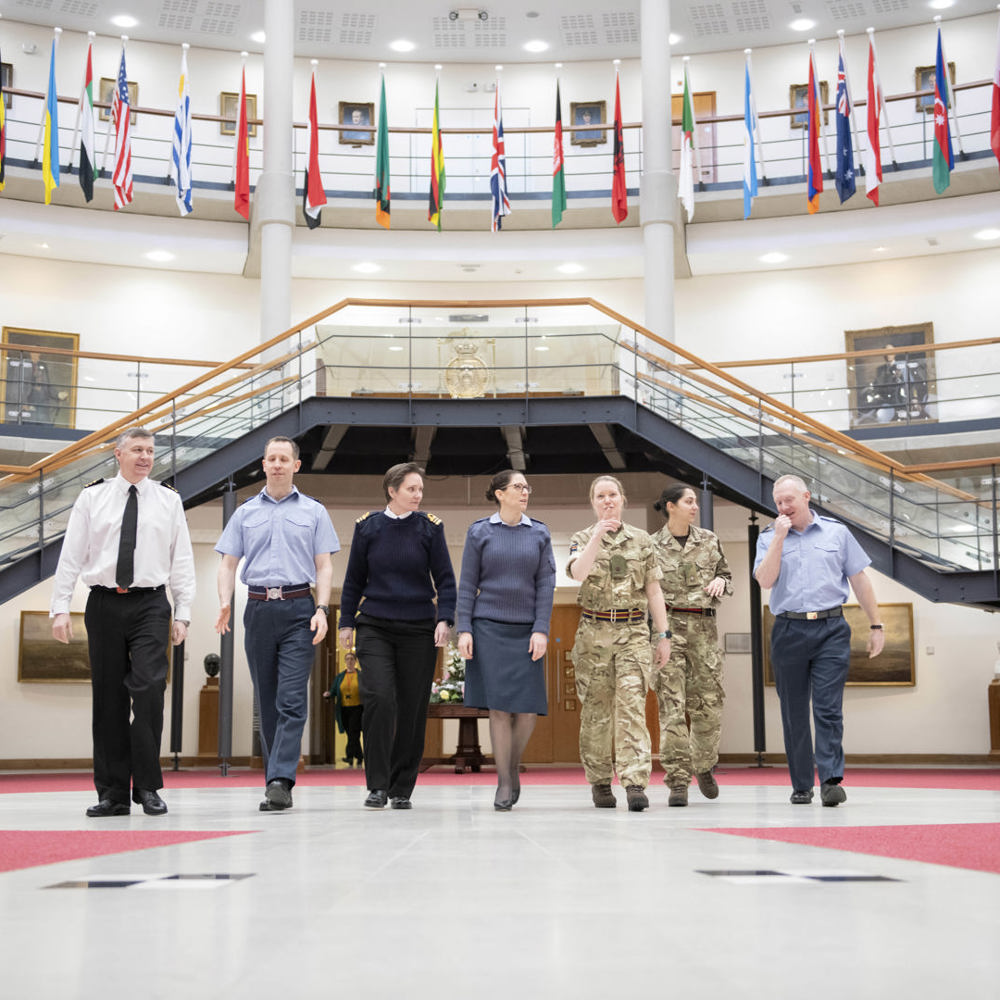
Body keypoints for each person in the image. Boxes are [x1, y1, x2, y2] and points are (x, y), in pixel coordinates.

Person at [50, 427, 195, 817]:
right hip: (103, 603)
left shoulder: (168, 500)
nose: (145, 456)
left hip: (151, 604)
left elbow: (181, 559)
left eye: (150, 450)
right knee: (109, 697)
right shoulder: (92, 497)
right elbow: (71, 555)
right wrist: (60, 607)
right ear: (118, 454)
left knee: (149, 689)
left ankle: (146, 785)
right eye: (137, 449)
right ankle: (112, 793)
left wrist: (183, 612)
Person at [214, 436, 339, 813]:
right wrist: (224, 601)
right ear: (264, 465)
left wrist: (322, 609)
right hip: (257, 609)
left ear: (296, 466)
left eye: (285, 458)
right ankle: (275, 778)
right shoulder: (245, 512)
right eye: (272, 458)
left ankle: (281, 779)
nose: (278, 464)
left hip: (300, 608)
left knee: (292, 698)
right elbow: (227, 564)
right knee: (267, 701)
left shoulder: (315, 511)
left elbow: (324, 565)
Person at [753, 474, 885, 806]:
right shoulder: (769, 537)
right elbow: (765, 581)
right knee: (794, 711)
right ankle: (801, 784)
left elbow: (859, 579)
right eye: (779, 502)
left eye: (789, 500)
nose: (784, 507)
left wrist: (876, 625)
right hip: (788, 630)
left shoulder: (837, 533)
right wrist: (779, 539)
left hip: (831, 628)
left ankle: (830, 781)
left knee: (827, 708)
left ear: (806, 496)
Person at [338, 462, 456, 810]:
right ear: (392, 491)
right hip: (374, 625)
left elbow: (446, 579)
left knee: (411, 708)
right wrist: (346, 622)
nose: (418, 495)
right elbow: (353, 580)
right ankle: (376, 784)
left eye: (420, 489)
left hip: (419, 628)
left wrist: (445, 619)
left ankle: (401, 787)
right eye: (411, 489)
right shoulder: (368, 528)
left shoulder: (430, 529)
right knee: (379, 698)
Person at [567, 475, 671, 812]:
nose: (607, 500)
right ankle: (599, 780)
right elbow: (578, 573)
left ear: (623, 499)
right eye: (601, 496)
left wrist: (664, 635)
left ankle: (635, 782)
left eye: (612, 494)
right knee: (596, 713)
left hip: (633, 633)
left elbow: (654, 590)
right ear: (593, 502)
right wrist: (596, 536)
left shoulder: (642, 541)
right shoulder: (582, 538)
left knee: (632, 707)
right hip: (593, 634)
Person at [457, 470, 556, 811]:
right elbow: (467, 584)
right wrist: (464, 629)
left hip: (527, 630)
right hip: (488, 629)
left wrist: (541, 628)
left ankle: (511, 766)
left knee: (527, 710)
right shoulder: (480, 532)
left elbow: (546, 584)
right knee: (498, 709)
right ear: (499, 494)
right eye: (518, 487)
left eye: (527, 486)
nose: (525, 491)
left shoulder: (539, 533)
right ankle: (503, 781)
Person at [650, 484, 733, 807]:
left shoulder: (709, 541)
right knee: (671, 707)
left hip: (704, 630)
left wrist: (722, 582)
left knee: (709, 706)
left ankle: (704, 764)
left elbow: (727, 575)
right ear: (671, 506)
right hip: (667, 630)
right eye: (688, 501)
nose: (695, 506)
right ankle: (678, 780)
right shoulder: (652, 545)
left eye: (695, 502)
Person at [323, 651, 364, 768]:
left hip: (357, 708)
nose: (350, 661)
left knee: (353, 732)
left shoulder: (360, 675)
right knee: (351, 734)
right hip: (344, 710)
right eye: (348, 659)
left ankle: (349, 756)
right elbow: (334, 690)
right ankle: (360, 756)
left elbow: (367, 689)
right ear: (345, 662)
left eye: (352, 659)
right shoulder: (340, 676)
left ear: (355, 661)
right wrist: (329, 693)